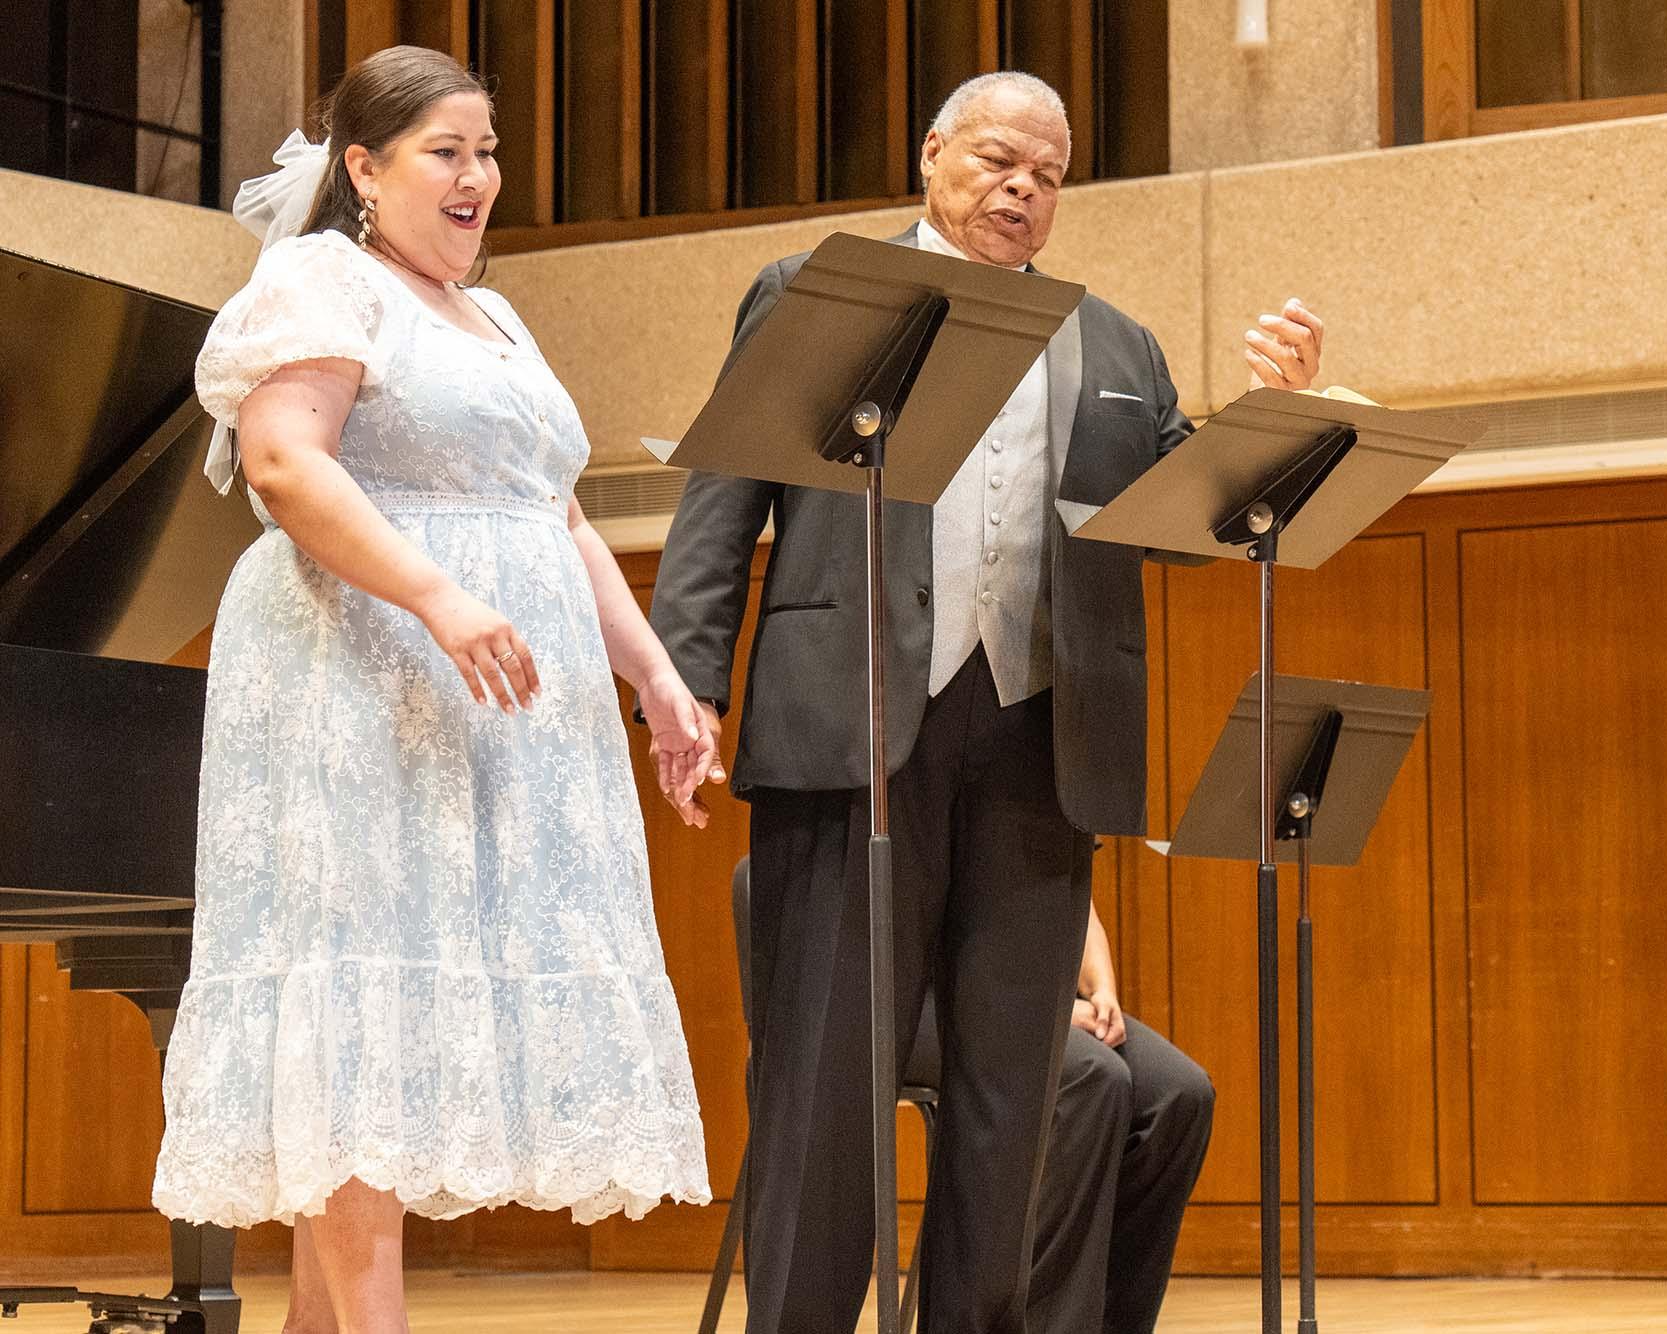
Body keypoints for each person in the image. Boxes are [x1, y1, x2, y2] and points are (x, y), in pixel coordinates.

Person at [653, 70, 1322, 1332]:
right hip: (851, 731)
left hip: (1038, 742)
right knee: (823, 1095)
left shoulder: (1114, 344)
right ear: (929, 155)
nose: (1021, 189)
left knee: (1014, 1098)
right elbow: (720, 497)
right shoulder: (818, 292)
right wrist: (683, 684)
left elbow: (1189, 518)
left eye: (1048, 175)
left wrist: (1272, 418)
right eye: (998, 161)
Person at [152, 46, 716, 1334]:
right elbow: (287, 464)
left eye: (488, 151)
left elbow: (558, 514)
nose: (479, 178)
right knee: (362, 1010)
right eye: (445, 152)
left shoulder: (498, 317)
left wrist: (655, 676)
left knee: (406, 1023)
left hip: (500, 716)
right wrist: (438, 595)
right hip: (358, 681)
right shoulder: (318, 280)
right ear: (362, 166)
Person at [905, 899, 1214, 1334]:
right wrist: (1040, 1014)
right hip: (917, 1001)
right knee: (1092, 1077)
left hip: (1028, 997)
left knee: (1178, 1096)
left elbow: (1076, 892)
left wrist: (1102, 989)